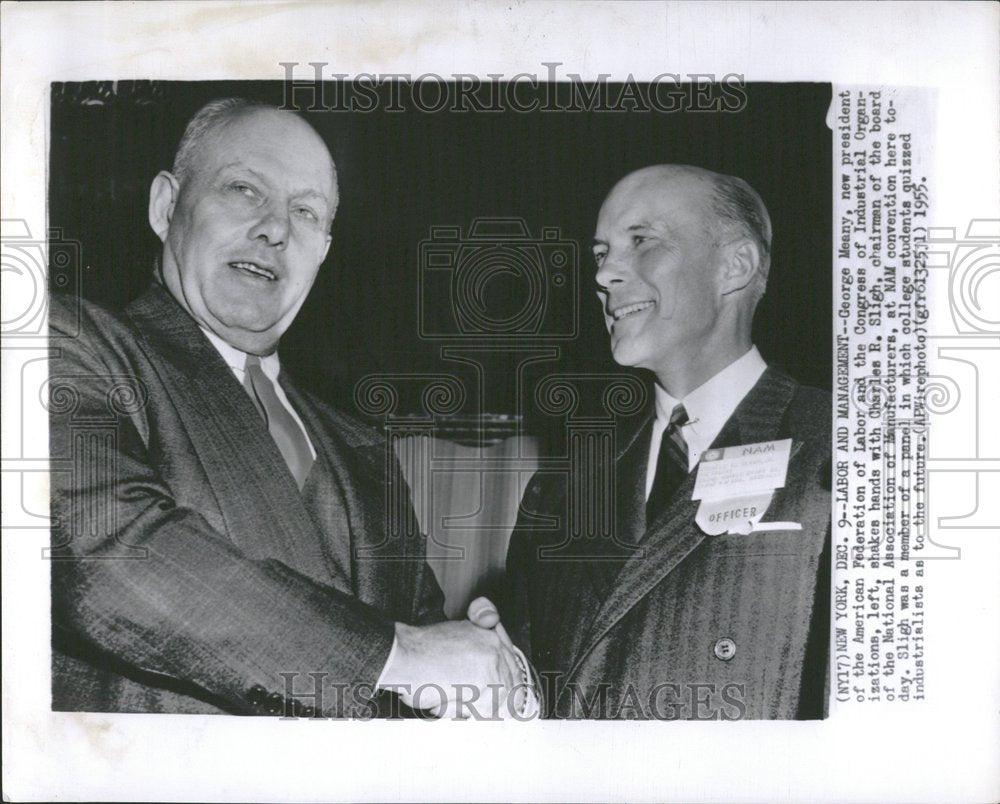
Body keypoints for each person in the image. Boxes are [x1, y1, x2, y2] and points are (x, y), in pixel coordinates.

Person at [48, 98, 522, 719]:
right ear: (166, 207)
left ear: (323, 249)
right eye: (245, 190)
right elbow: (108, 556)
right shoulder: (71, 343)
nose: (277, 228)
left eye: (305, 211)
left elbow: (421, 654)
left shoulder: (362, 447)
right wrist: (403, 653)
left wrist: (479, 664)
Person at [502, 165, 831, 719]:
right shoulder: (560, 491)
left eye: (641, 241)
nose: (605, 274)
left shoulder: (848, 443)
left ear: (734, 266)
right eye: (601, 252)